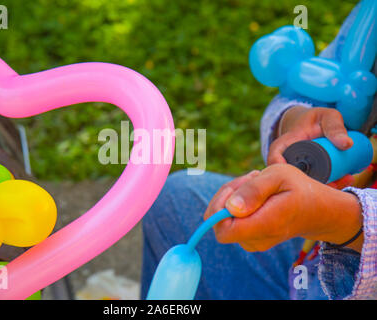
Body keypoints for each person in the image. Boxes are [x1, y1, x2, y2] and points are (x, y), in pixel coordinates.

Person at [141, 1, 376, 300]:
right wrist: (291, 121)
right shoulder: (370, 20)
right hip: (312, 251)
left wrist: (343, 220)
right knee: (176, 202)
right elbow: (310, 88)